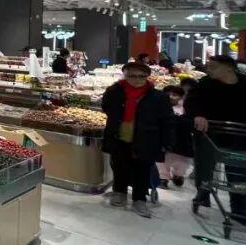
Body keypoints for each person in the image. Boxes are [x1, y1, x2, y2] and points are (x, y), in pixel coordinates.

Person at [100, 61, 174, 218]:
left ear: (147, 77)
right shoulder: (114, 92)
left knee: (143, 168)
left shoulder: (158, 97)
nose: (137, 79)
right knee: (119, 165)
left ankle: (139, 199)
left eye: (141, 76)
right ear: (125, 76)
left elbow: (166, 120)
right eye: (132, 76)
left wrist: (166, 142)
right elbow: (106, 107)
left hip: (146, 138)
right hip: (119, 136)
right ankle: (119, 192)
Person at [185, 55, 246, 221]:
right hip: (210, 134)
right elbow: (191, 103)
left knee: (238, 171)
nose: (208, 70)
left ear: (229, 68)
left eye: (213, 67)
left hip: (240, 136)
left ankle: (239, 206)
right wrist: (198, 115)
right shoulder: (205, 84)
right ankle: (203, 193)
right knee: (205, 165)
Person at [158, 85, 191, 187]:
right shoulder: (160, 106)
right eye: (168, 94)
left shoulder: (186, 107)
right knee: (163, 159)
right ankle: (163, 178)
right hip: (165, 137)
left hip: (182, 139)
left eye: (175, 95)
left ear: (181, 97)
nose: (171, 97)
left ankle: (178, 175)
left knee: (181, 160)